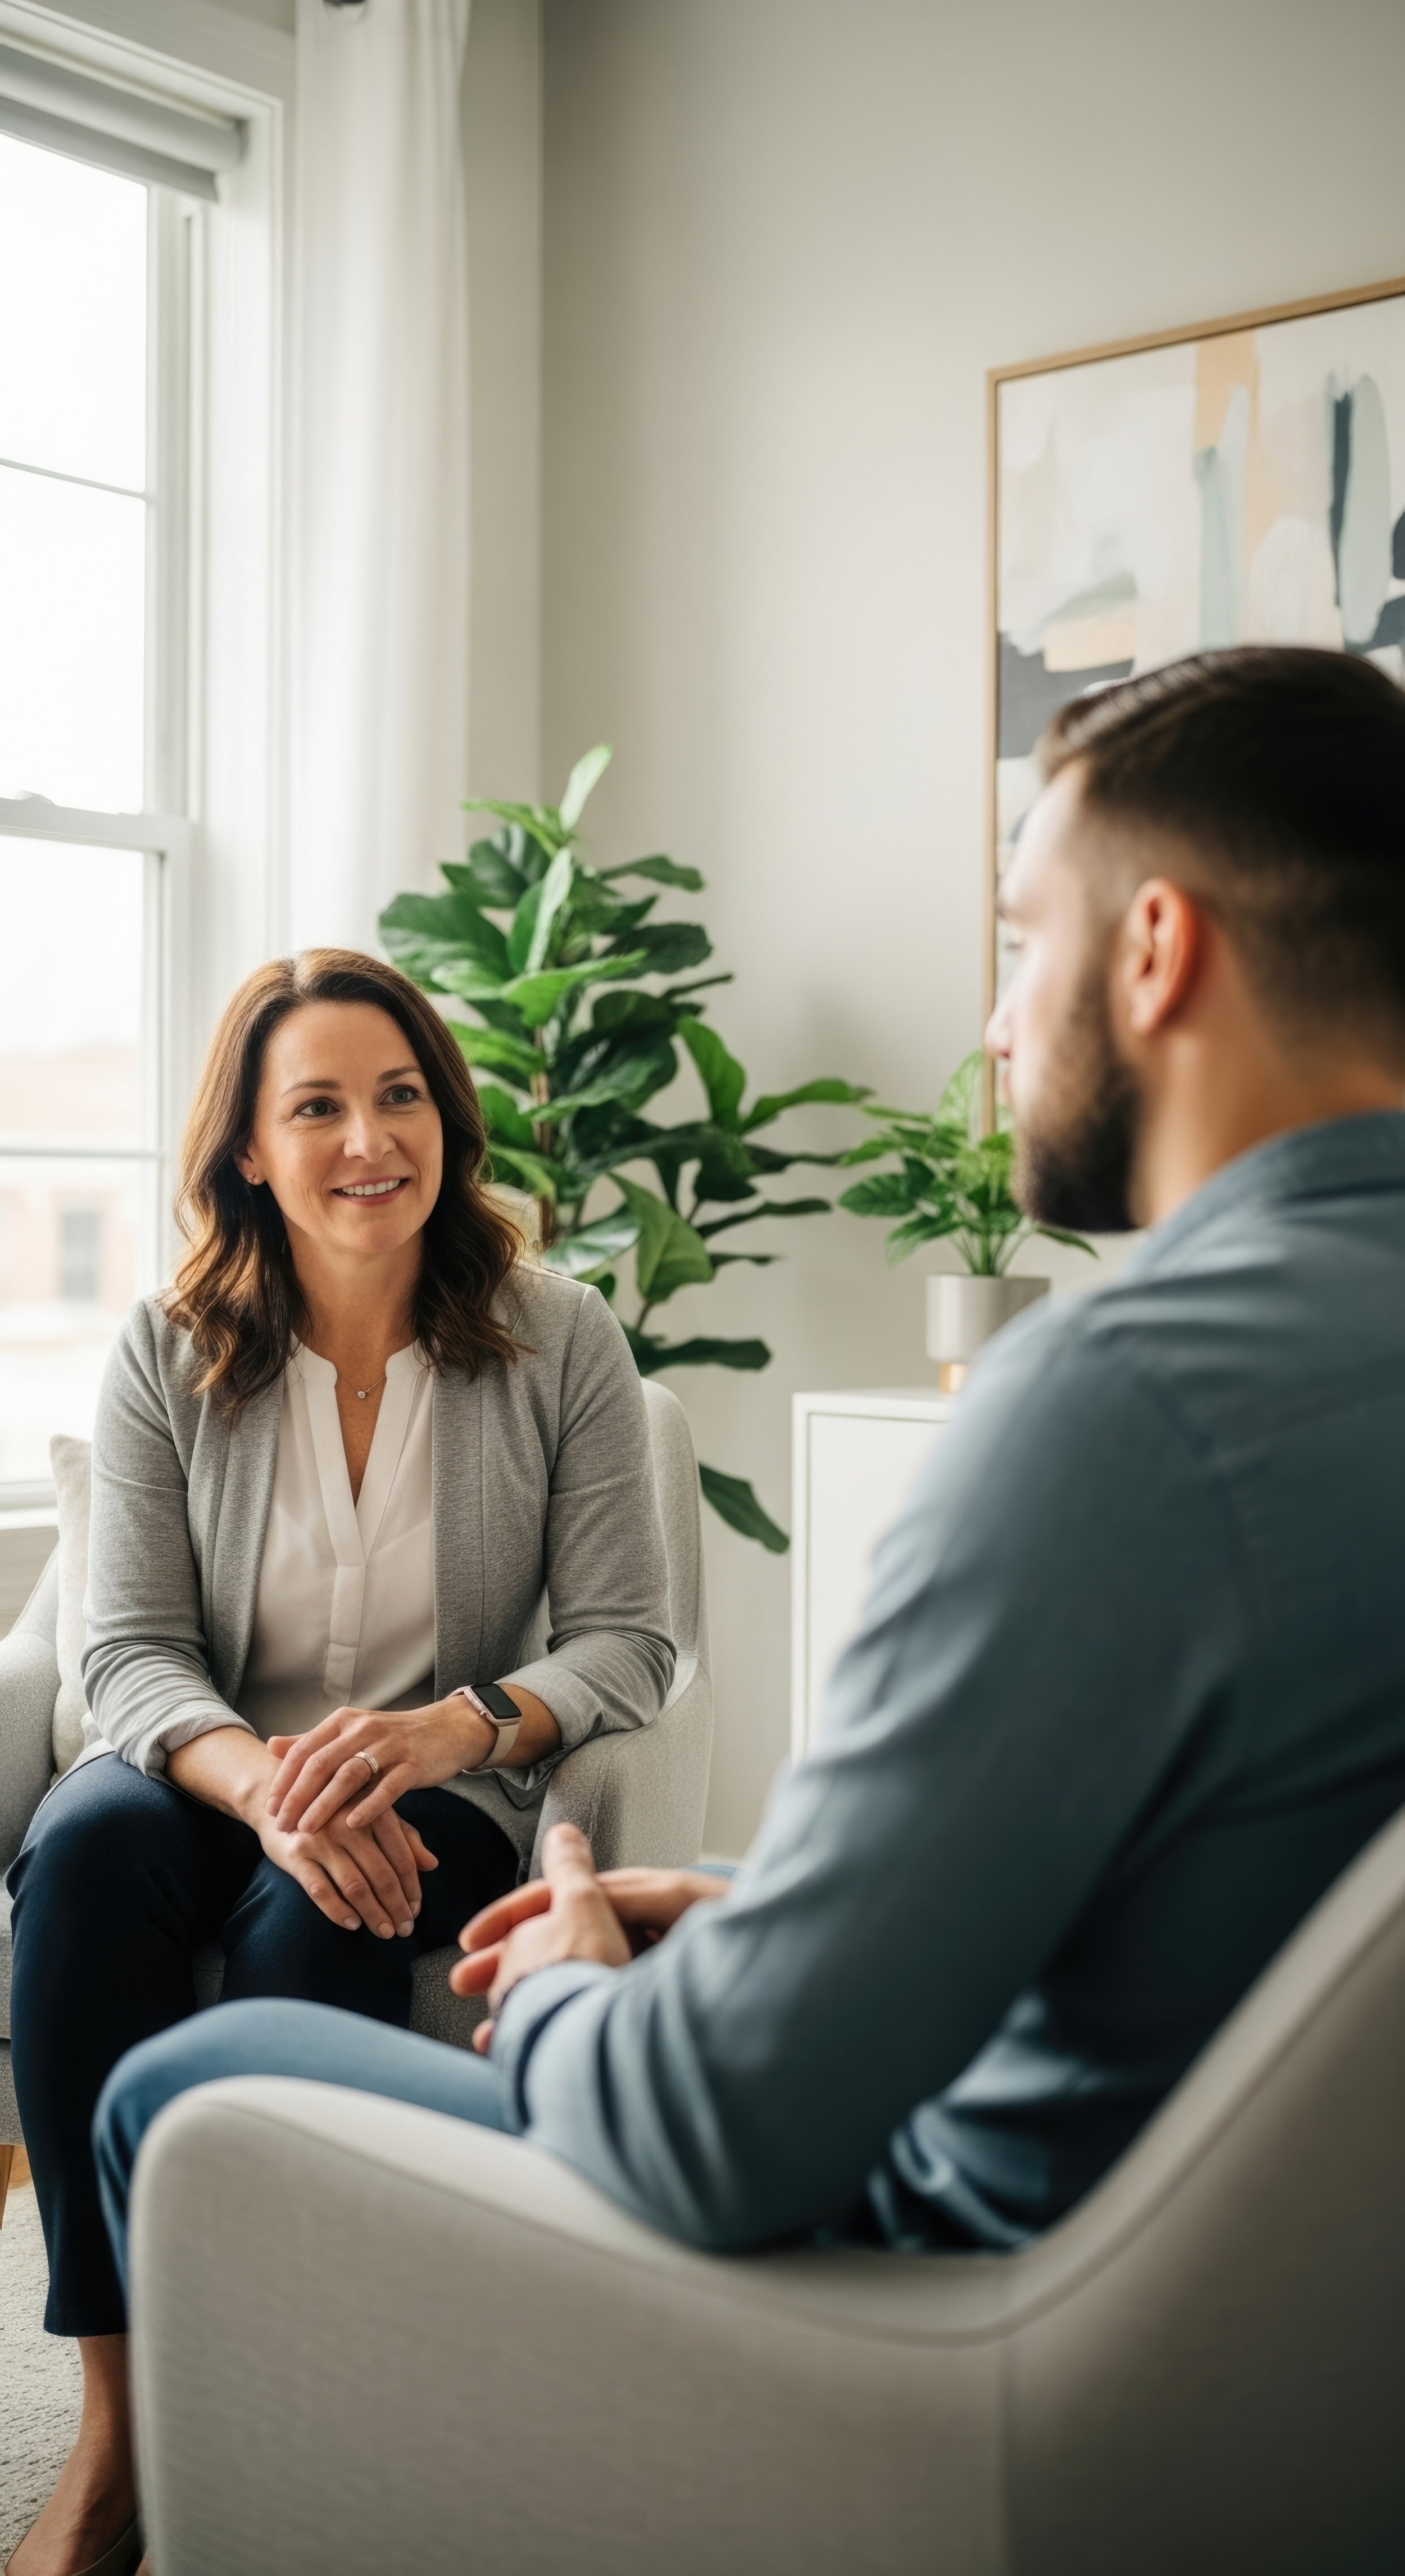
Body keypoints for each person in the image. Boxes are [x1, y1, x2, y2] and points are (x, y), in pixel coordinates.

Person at [99, 649, 1405, 2325]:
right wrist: (744, 1905)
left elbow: (715, 2130)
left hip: (952, 2325)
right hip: (1268, 2323)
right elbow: (1183, 1909)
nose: (999, 1027)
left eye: (1020, 946)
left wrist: (572, 1986)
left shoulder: (1111, 1409)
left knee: (184, 2095)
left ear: (1154, 951)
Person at [5, 950, 673, 2576]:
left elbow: (628, 1642)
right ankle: (120, 2424)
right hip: (204, 1771)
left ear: (444, 1120)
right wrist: (261, 1783)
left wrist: (454, 1728)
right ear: (247, 1146)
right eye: (317, 1105)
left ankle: (279, 2386)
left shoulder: (558, 1338)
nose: (369, 1139)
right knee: (81, 1857)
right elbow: (127, 1653)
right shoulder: (171, 1351)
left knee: (329, 1927)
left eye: (399, 1098)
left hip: (441, 1790)